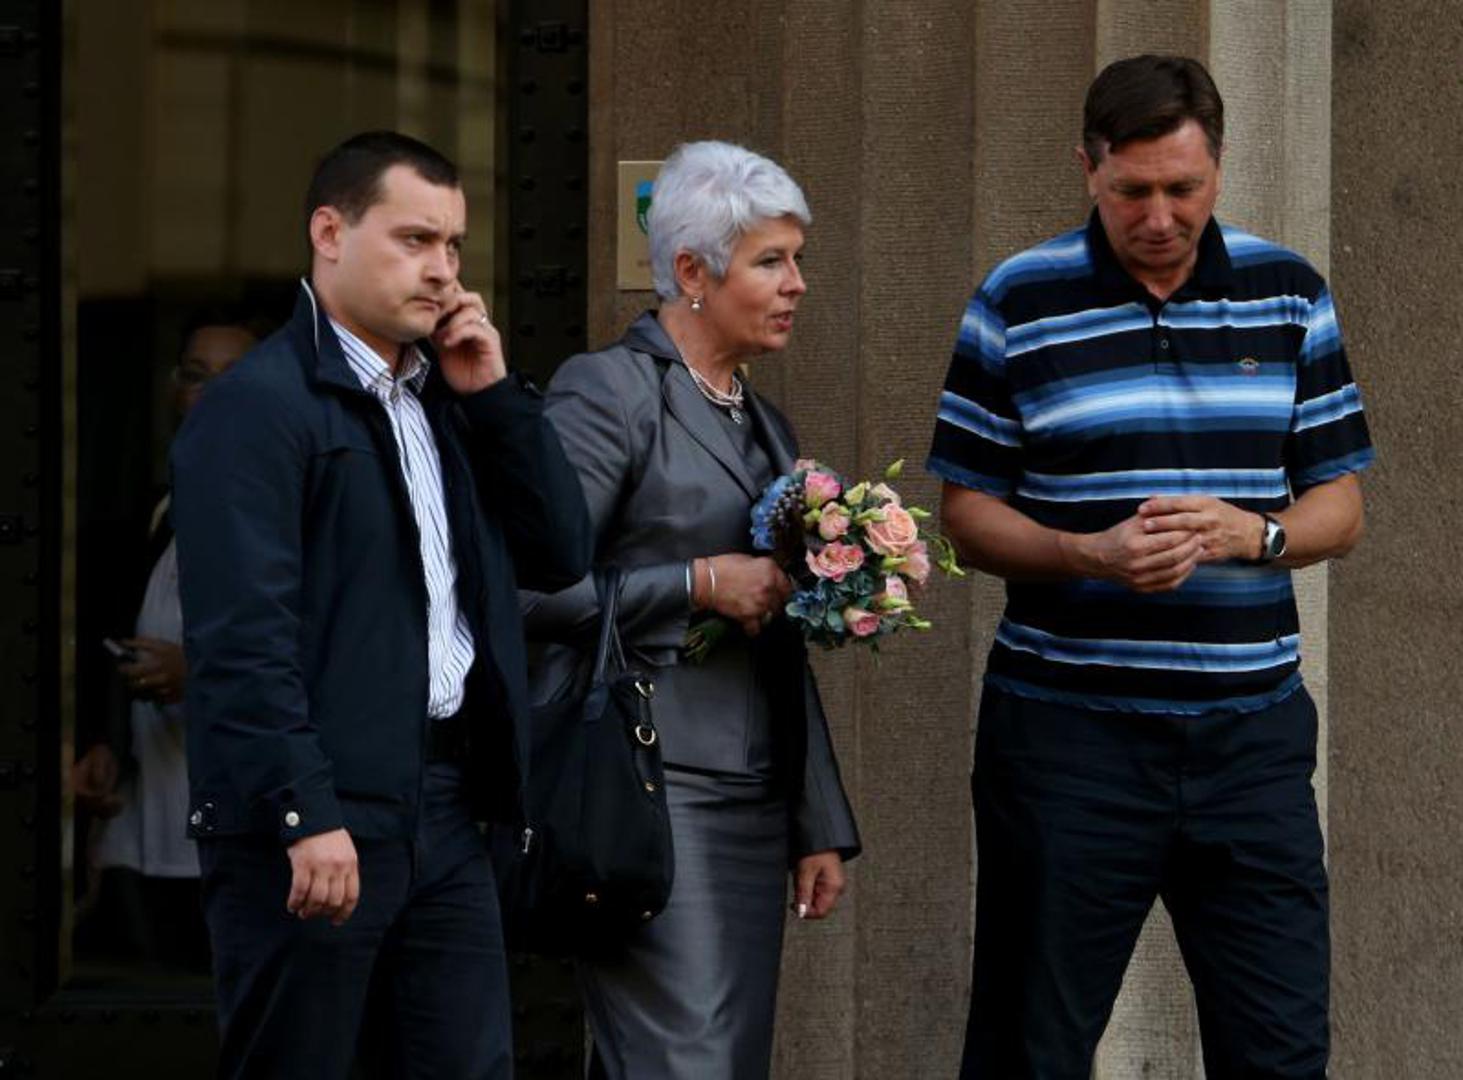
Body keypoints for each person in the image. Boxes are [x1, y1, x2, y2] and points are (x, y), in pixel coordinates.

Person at [927, 55, 1372, 1080]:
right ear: (1086, 167)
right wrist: (1084, 552)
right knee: (1028, 1050)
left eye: (1183, 187)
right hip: (1065, 740)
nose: (1160, 217)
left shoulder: (1288, 291)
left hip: (1249, 741)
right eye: (1131, 190)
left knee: (1279, 1052)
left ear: (1218, 167)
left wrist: (1252, 535)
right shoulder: (1016, 298)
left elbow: (1340, 509)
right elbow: (965, 516)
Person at [170, 131, 591, 1079]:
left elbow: (560, 554)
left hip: (445, 807)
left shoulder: (449, 399)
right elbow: (242, 640)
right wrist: (302, 812)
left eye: (453, 245)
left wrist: (495, 398)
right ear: (329, 232)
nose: (443, 270)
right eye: (414, 240)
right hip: (316, 813)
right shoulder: (256, 408)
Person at [522, 140, 860, 1079]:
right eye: (770, 261)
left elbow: (781, 638)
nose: (796, 284)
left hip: (753, 795)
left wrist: (814, 819)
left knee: (715, 1060)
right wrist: (697, 584)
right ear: (691, 272)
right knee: (689, 1064)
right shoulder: (609, 391)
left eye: (797, 259)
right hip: (648, 786)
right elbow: (530, 590)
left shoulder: (764, 421)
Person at [72, 311, 257, 973]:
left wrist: (198, 674)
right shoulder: (157, 513)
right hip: (143, 822)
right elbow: (114, 638)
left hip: (250, 833)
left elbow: (331, 659)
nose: (211, 394)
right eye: (196, 376)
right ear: (176, 394)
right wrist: (101, 742)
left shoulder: (304, 508)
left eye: (234, 378)